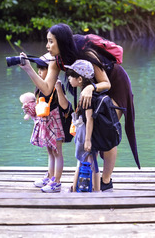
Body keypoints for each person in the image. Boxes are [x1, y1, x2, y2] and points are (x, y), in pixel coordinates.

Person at [19, 23, 139, 192]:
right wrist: (28, 69)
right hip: (88, 88)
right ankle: (87, 178)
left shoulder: (85, 52)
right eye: (47, 42)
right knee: (89, 132)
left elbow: (106, 82)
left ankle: (105, 180)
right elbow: (46, 88)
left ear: (61, 42)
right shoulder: (57, 60)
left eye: (51, 42)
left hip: (113, 84)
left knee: (107, 129)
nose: (47, 46)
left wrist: (91, 88)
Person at [24, 53, 70, 193]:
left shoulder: (56, 86)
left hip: (56, 123)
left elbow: (65, 106)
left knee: (57, 152)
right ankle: (50, 176)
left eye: (42, 69)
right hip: (45, 122)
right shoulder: (40, 88)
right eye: (38, 69)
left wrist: (60, 89)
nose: (39, 72)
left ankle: (57, 182)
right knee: (50, 151)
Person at [65, 60, 100, 192]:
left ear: (80, 79)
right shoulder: (90, 92)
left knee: (82, 161)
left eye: (71, 75)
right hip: (90, 133)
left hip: (85, 133)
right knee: (93, 162)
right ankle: (97, 189)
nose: (68, 78)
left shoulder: (86, 96)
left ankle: (75, 189)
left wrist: (87, 140)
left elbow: (89, 119)